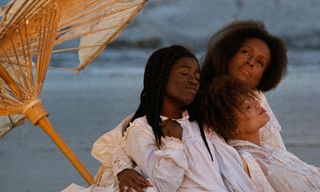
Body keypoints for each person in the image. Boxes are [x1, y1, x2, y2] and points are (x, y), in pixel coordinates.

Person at [92, 20, 288, 191]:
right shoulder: (196, 97)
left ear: (265, 74)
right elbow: (126, 135)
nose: (250, 62)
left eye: (260, 62)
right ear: (229, 53)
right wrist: (123, 169)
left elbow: (276, 153)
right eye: (245, 52)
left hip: (246, 176)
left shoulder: (258, 101)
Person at [203, 75, 320, 192]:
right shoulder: (244, 160)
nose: (258, 104)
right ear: (231, 125)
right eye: (248, 107)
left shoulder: (271, 149)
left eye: (253, 100)